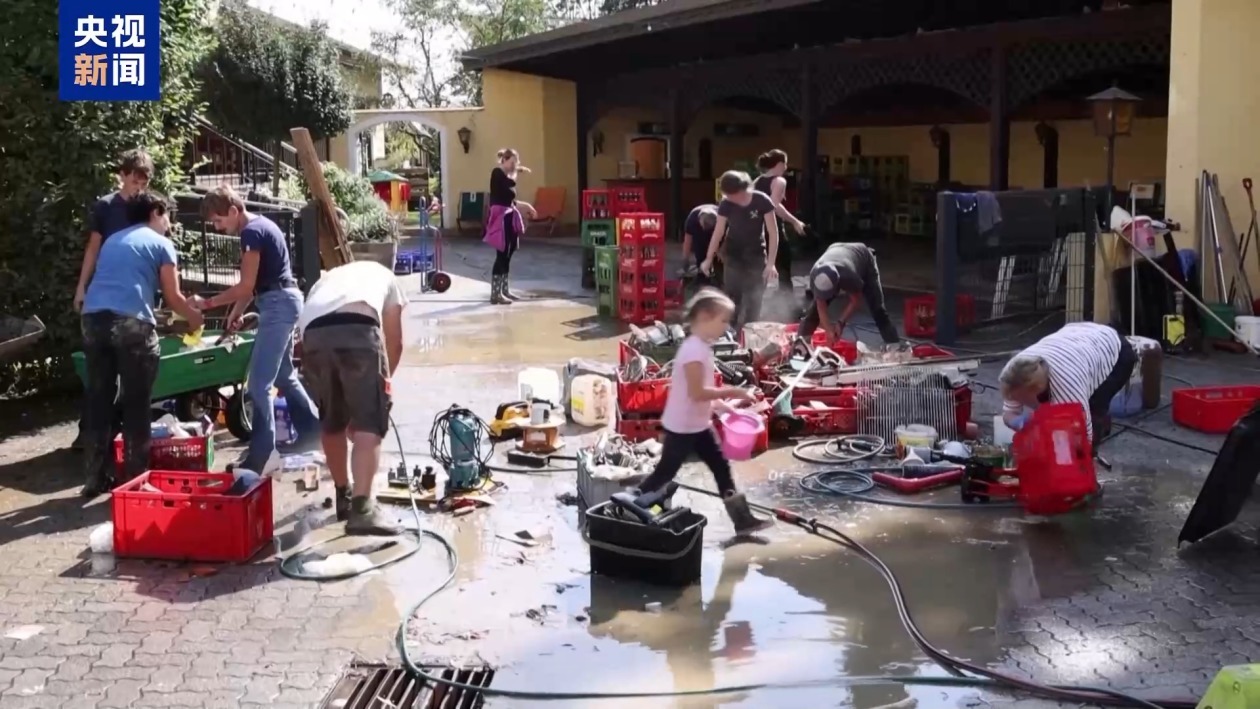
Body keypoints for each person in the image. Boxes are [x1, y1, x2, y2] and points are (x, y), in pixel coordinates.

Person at [80, 191, 203, 497]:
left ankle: (95, 479)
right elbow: (173, 297)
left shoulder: (112, 240)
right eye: (168, 217)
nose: (169, 225)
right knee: (137, 403)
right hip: (131, 325)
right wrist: (194, 317)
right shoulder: (161, 244)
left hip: (93, 319)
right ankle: (136, 482)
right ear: (157, 211)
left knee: (99, 401)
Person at [193, 185, 319, 474]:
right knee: (284, 375)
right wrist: (235, 313)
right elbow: (251, 287)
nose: (217, 227)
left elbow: (245, 286)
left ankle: (262, 454)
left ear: (233, 210)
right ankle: (313, 433)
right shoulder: (261, 226)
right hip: (281, 300)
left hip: (278, 305)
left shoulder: (251, 233)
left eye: (218, 220)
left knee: (258, 384)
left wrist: (206, 303)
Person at [634, 288, 773, 535]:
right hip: (682, 428)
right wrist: (736, 392)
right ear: (705, 317)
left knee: (721, 467)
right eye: (723, 320)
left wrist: (724, 407)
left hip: (698, 426)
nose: (726, 326)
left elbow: (700, 393)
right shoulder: (693, 351)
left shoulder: (701, 348)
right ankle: (631, 505)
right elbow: (698, 392)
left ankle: (742, 521)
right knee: (664, 473)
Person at [297, 260, 407, 536]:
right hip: (358, 328)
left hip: (313, 334)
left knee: (332, 418)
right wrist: (380, 389)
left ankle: (343, 496)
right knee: (369, 423)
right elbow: (395, 342)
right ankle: (363, 510)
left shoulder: (327, 280)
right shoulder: (386, 276)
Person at [72, 148, 154, 450]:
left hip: (135, 294)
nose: (138, 188)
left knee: (128, 372)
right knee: (101, 374)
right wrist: (82, 287)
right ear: (122, 175)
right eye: (134, 181)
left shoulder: (147, 206)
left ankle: (116, 438)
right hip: (108, 295)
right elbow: (93, 248)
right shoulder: (106, 207)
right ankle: (89, 434)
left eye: (143, 182)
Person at [999, 322, 1137, 443]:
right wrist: (1019, 422)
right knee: (1052, 416)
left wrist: (1080, 450)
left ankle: (1101, 425)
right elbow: (1009, 414)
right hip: (1077, 335)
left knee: (1093, 407)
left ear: (1037, 388)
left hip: (1115, 351)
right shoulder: (1012, 374)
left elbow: (1085, 436)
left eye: (1022, 400)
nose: (1017, 401)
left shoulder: (1067, 385)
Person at [700, 171, 779, 329]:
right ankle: (729, 332)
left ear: (743, 189)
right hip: (733, 255)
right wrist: (708, 258)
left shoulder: (762, 200)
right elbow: (718, 231)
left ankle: (750, 332)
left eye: (732, 195)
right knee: (731, 298)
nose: (729, 198)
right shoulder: (726, 204)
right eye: (727, 195)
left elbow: (773, 232)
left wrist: (771, 264)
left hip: (756, 255)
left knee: (754, 300)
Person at [799, 242, 900, 345]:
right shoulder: (814, 275)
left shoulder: (849, 276)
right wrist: (828, 330)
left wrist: (841, 323)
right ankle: (800, 345)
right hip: (836, 249)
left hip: (864, 258)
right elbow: (820, 304)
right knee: (813, 312)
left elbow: (856, 300)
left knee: (878, 309)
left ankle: (894, 345)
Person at [483, 149, 536, 305]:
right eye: (512, 162)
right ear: (504, 160)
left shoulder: (506, 176)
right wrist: (516, 171)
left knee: (509, 252)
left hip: (509, 214)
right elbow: (509, 185)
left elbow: (510, 201)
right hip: (500, 217)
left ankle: (504, 290)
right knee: (502, 253)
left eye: (516, 162)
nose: (514, 165)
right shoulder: (497, 173)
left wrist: (527, 207)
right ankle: (495, 294)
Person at [752, 150, 806, 292]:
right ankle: (788, 301)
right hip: (773, 229)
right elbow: (773, 206)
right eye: (785, 164)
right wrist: (794, 221)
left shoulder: (757, 181)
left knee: (760, 269)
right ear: (780, 164)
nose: (786, 168)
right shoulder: (779, 181)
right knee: (784, 268)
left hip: (757, 230)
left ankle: (755, 300)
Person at [681, 204, 720, 287]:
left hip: (716, 233)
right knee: (700, 251)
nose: (704, 229)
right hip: (699, 234)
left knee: (718, 257)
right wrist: (685, 259)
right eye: (704, 226)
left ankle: (718, 277)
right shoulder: (692, 219)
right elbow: (688, 240)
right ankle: (702, 278)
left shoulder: (721, 218)